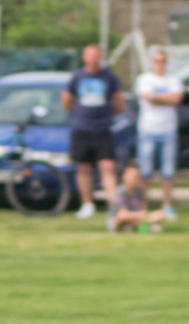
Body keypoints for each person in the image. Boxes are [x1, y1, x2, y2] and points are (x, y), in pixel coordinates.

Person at [61, 44, 124, 219]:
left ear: (101, 57)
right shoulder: (77, 77)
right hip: (81, 129)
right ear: (84, 57)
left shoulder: (110, 77)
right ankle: (87, 204)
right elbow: (66, 100)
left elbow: (118, 103)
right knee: (83, 167)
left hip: (103, 129)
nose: (93, 59)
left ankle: (113, 205)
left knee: (107, 166)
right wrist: (79, 113)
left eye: (96, 55)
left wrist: (105, 114)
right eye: (90, 55)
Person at [134, 48, 181, 219]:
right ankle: (143, 206)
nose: (160, 64)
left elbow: (176, 99)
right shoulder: (144, 79)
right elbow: (149, 98)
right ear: (152, 62)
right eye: (157, 61)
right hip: (148, 129)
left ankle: (167, 206)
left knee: (168, 172)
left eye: (163, 61)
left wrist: (158, 97)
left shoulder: (173, 79)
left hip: (168, 130)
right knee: (145, 171)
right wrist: (165, 98)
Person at [110, 163, 167, 232]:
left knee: (160, 214)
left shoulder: (139, 191)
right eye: (131, 176)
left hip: (135, 218)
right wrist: (138, 215)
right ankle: (140, 227)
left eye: (136, 176)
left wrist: (142, 215)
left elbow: (143, 210)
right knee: (122, 216)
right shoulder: (120, 192)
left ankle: (136, 227)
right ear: (124, 177)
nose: (133, 179)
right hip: (119, 220)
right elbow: (122, 213)